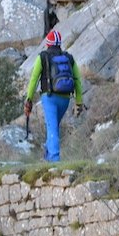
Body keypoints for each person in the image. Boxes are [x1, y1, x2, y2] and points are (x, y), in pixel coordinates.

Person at [24, 30, 84, 162]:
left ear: (48, 44)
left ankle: (55, 160)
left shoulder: (43, 57)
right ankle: (47, 156)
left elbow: (34, 79)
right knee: (53, 126)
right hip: (65, 98)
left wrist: (29, 99)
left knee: (52, 128)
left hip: (49, 97)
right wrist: (79, 101)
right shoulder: (69, 57)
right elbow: (77, 80)